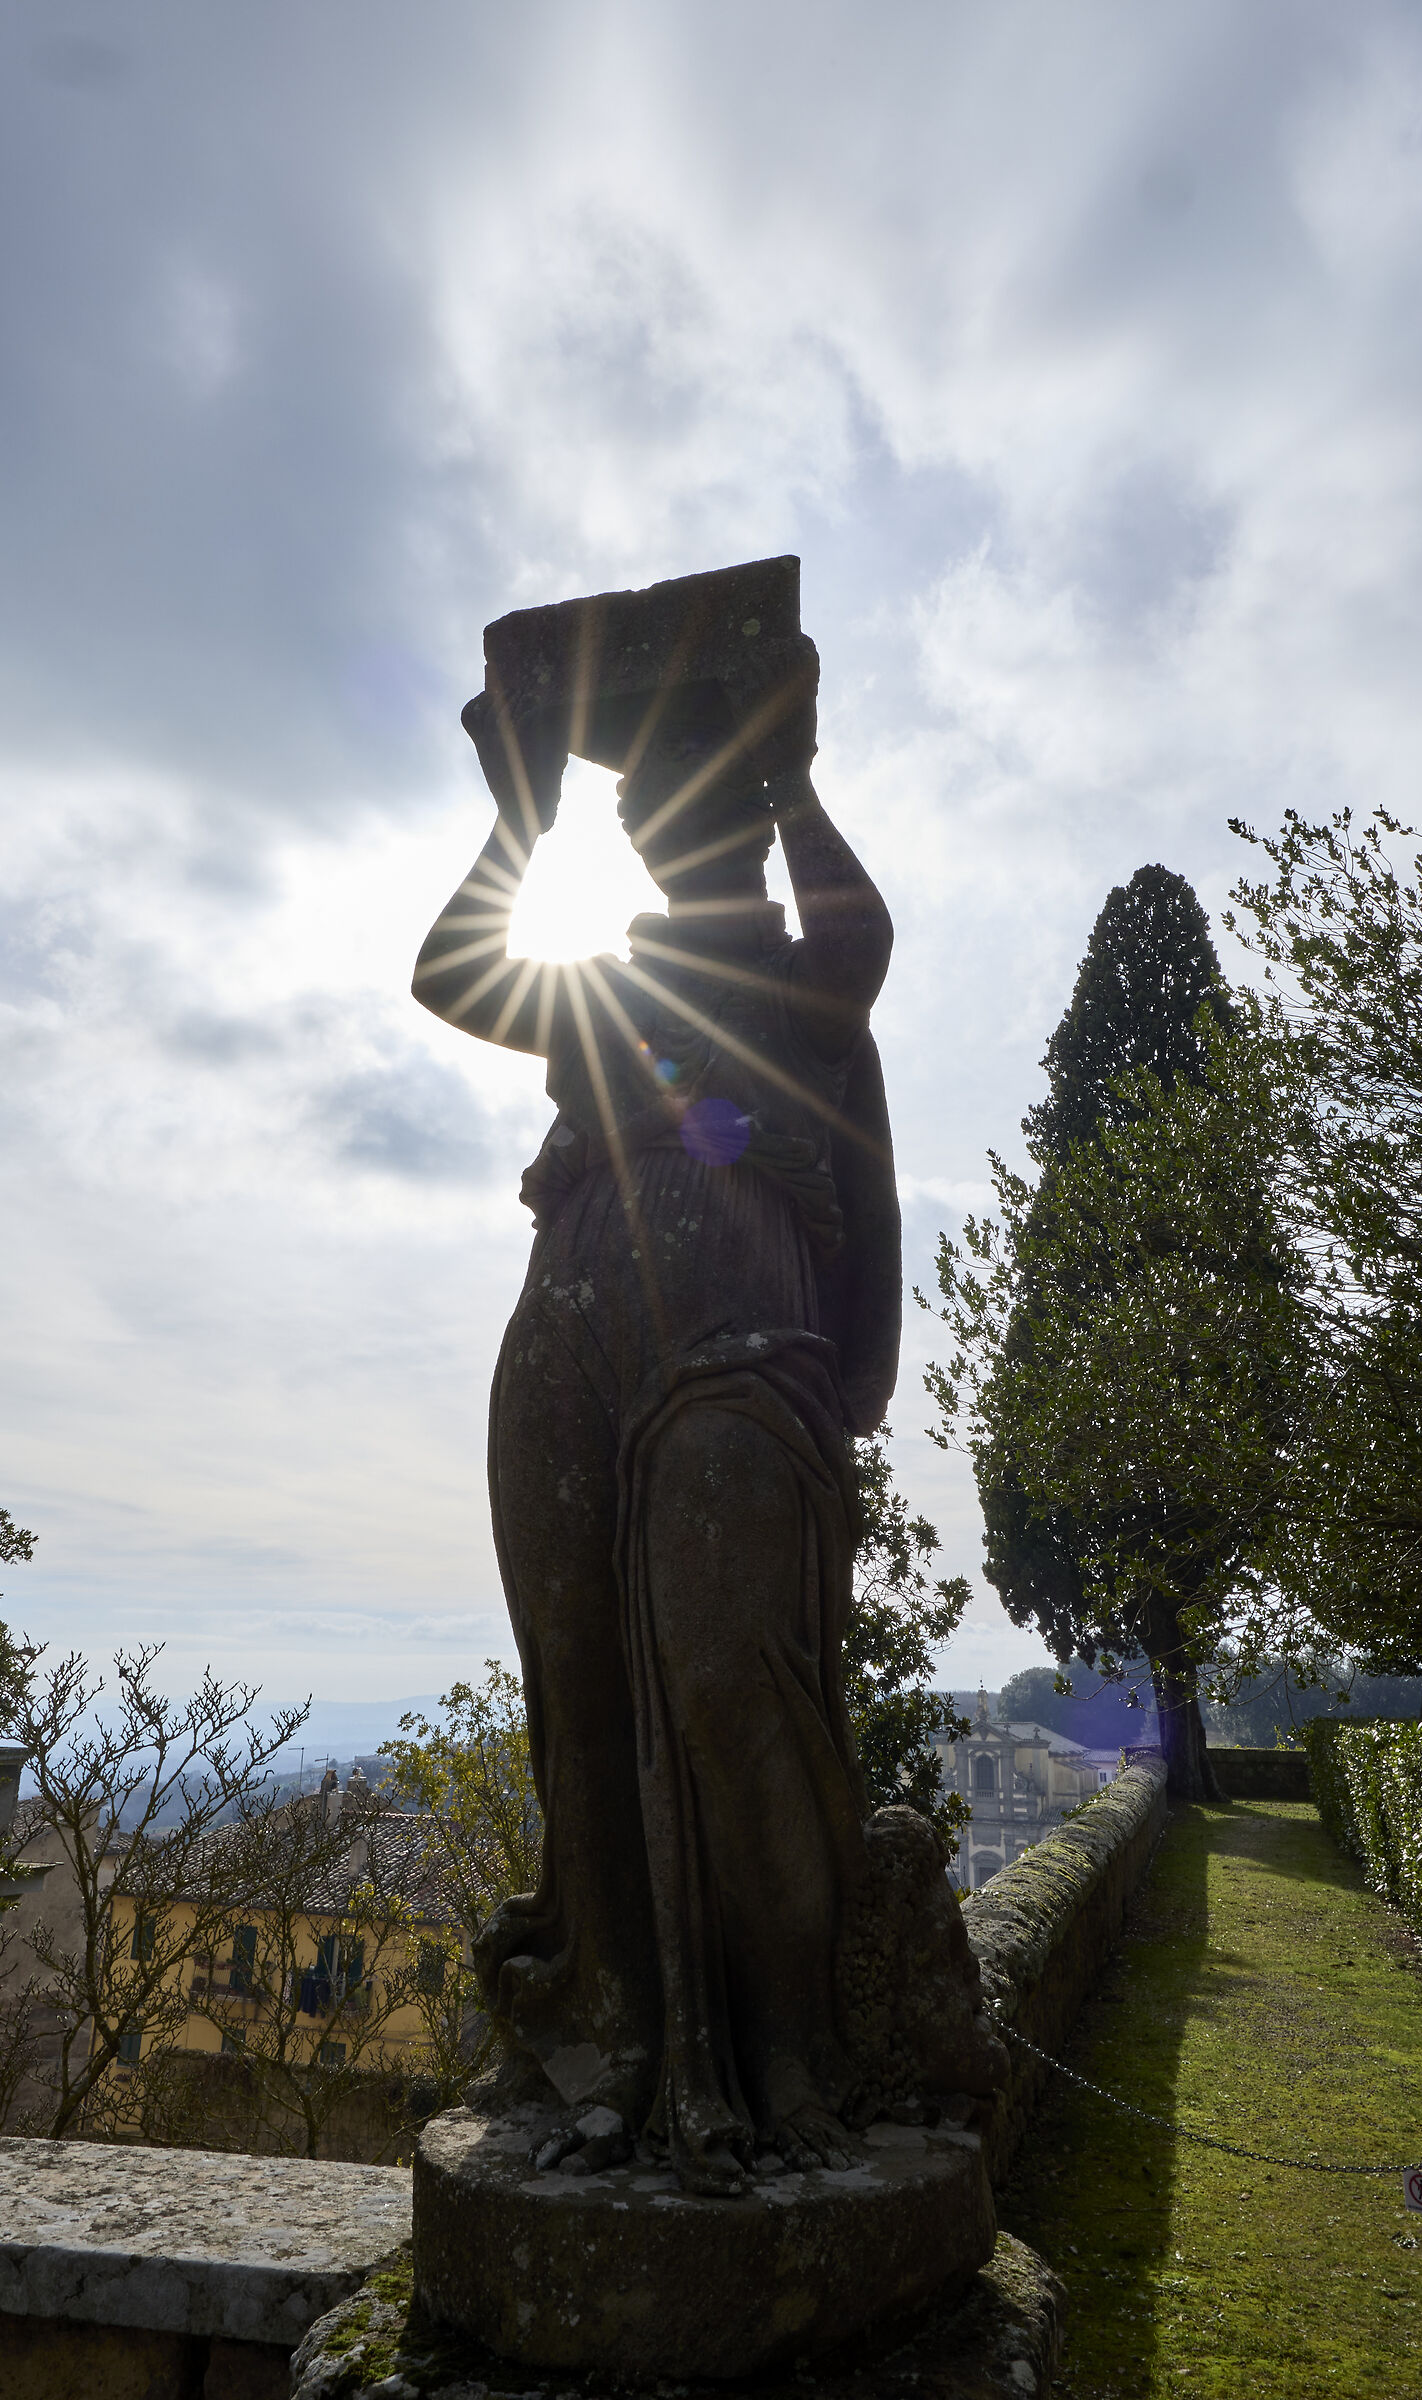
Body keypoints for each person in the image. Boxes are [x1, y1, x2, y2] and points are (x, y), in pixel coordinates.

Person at [412, 648, 900, 2195]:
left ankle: (781, 2052)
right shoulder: (600, 993)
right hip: (566, 1339)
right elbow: (451, 972)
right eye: (657, 806)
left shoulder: (802, 984)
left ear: (747, 820)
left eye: (713, 799)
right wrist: (520, 813)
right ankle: (612, 2045)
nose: (677, 828)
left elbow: (862, 935)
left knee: (720, 1680)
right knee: (579, 1692)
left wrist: (798, 775)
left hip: (738, 1355)